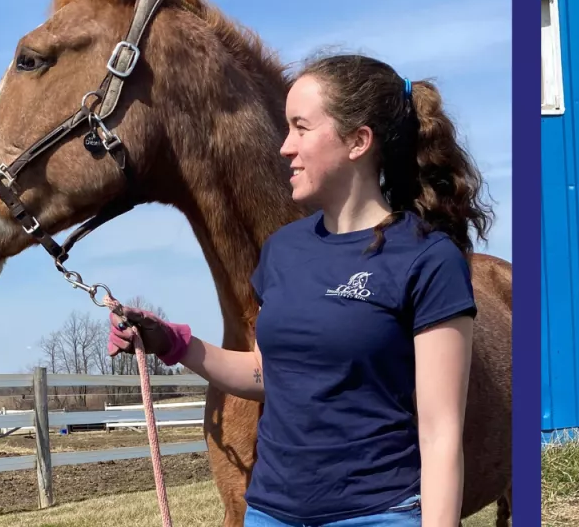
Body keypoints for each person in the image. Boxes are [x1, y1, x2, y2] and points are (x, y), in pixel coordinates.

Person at [106, 53, 490, 526]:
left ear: (358, 141)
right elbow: (268, 375)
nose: (284, 147)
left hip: (377, 515)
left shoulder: (428, 260)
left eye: (300, 128)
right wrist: (172, 342)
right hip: (270, 513)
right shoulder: (283, 251)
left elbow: (440, 432)